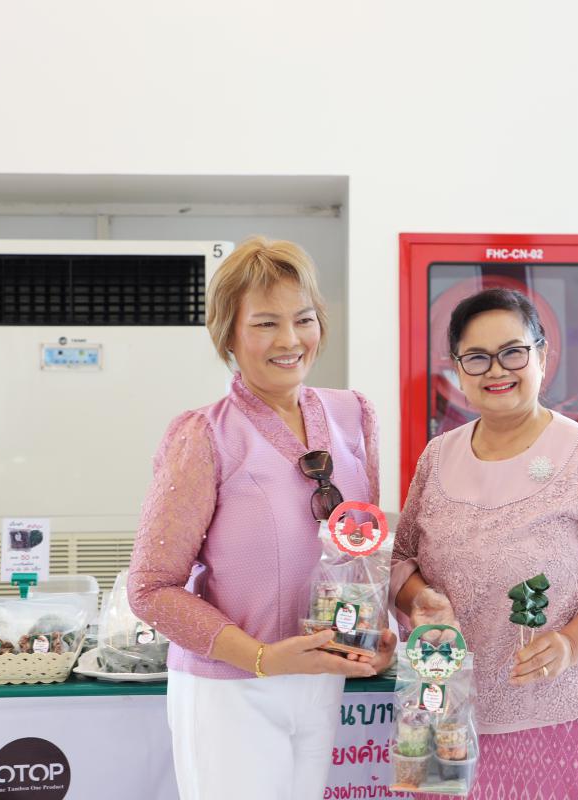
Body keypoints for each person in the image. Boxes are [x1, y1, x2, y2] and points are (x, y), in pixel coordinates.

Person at [129, 236, 395, 800]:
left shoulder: (353, 415)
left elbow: (364, 552)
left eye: (303, 319)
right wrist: (261, 658)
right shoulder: (204, 435)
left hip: (321, 682)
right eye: (266, 324)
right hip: (232, 689)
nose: (290, 340)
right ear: (228, 335)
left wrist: (377, 631)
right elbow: (150, 588)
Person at [391, 287, 578, 800]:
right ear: (458, 369)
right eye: (477, 357)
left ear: (542, 356)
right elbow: (402, 557)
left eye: (513, 352)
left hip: (576, 717)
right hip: (454, 719)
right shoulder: (437, 457)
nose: (496, 370)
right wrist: (419, 598)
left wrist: (570, 644)